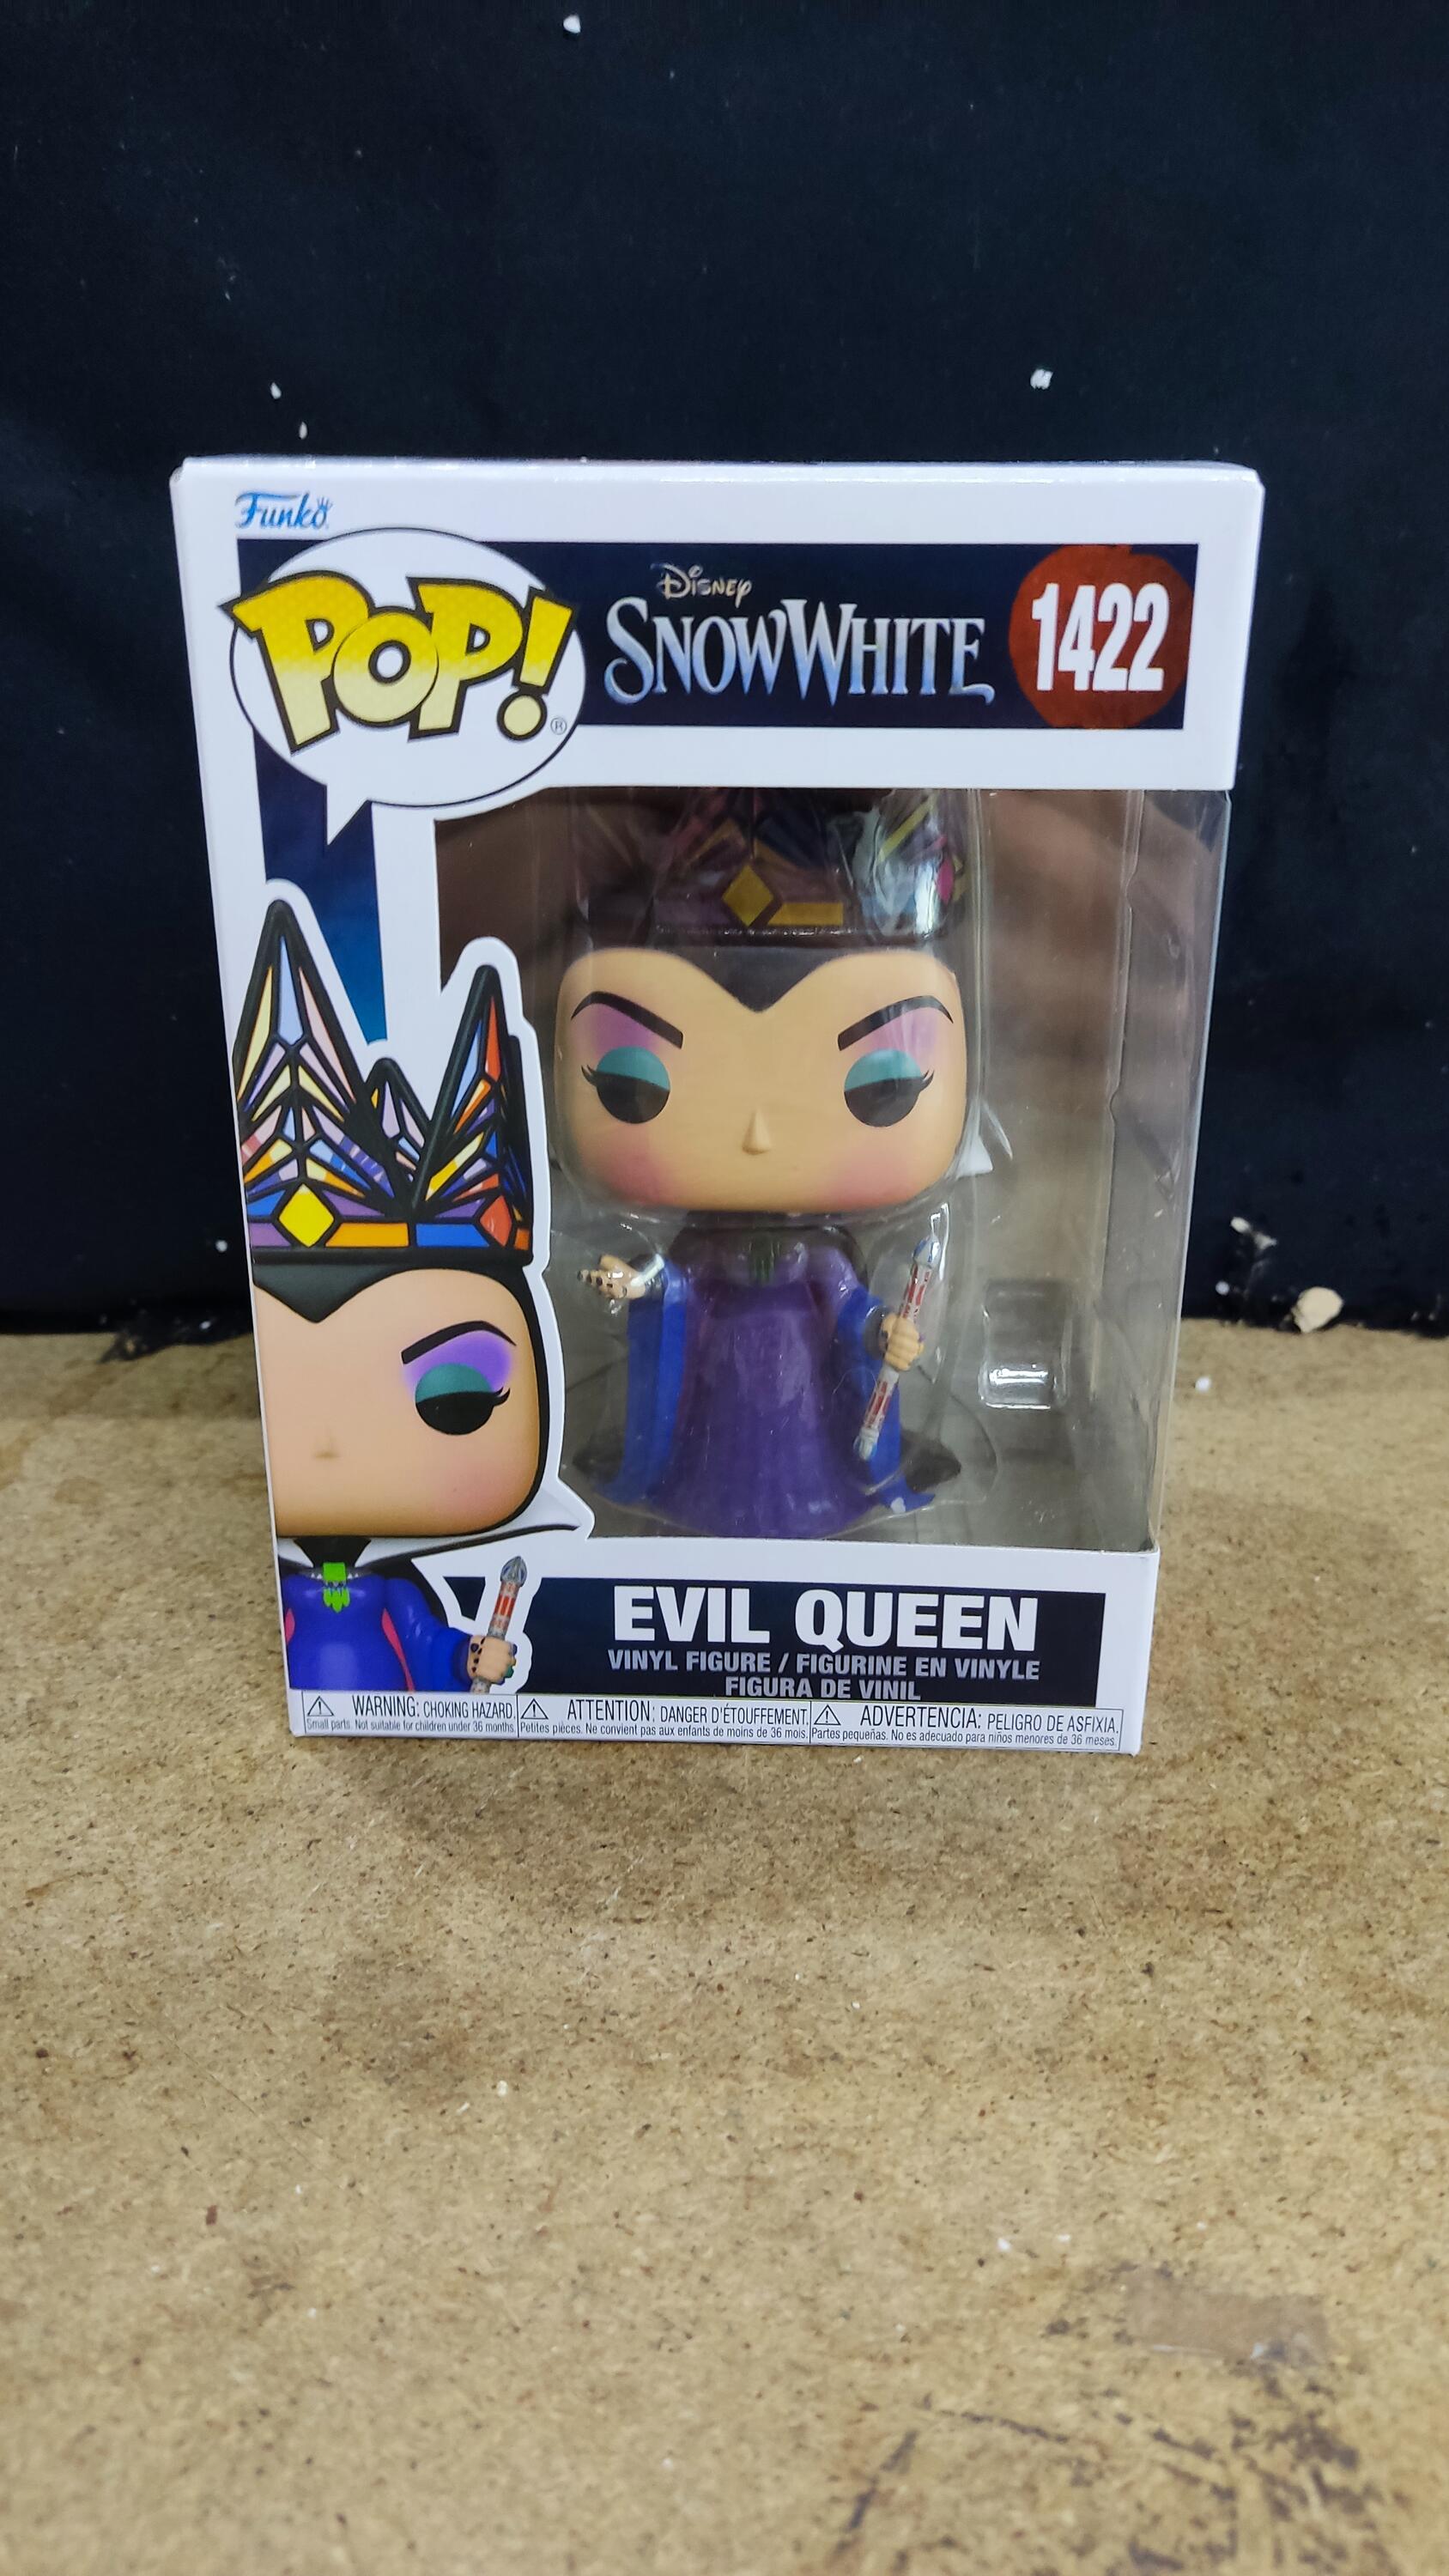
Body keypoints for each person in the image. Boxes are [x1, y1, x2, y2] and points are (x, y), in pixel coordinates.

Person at [555, 789, 970, 1539]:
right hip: (718, 1381)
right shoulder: (705, 1252)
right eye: (634, 1082)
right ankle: (701, 1496)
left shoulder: (820, 1257)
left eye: (880, 1085)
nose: (756, 1134)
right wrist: (637, 1282)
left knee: (804, 1453)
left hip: (805, 1387)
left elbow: (849, 1306)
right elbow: (673, 1284)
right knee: (715, 1453)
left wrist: (884, 1332)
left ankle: (819, 1498)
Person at [233, 901, 558, 1692]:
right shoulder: (276, 1589)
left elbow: (426, 1637)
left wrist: (468, 1659)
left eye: (455, 1399)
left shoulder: (393, 1587)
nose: (328, 1446)